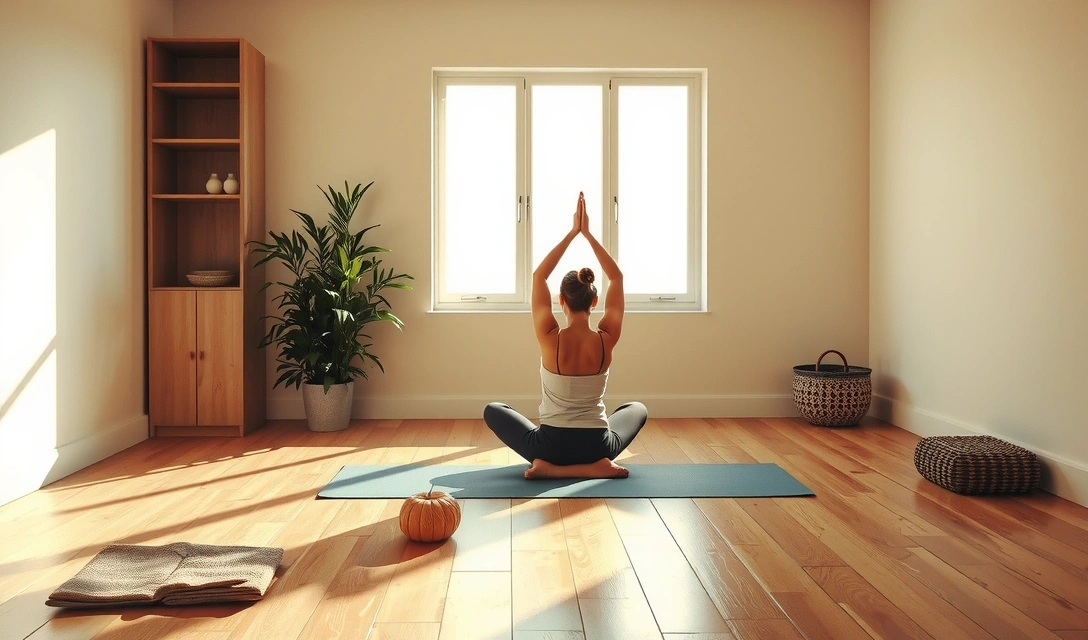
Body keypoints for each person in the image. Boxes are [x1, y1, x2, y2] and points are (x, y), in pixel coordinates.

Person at [484, 192, 648, 479]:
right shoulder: (606, 337)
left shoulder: (550, 337)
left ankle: (548, 468)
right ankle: (595, 466)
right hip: (596, 445)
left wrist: (573, 232)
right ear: (594, 302)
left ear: (560, 299)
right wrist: (588, 234)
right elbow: (617, 278)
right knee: (637, 408)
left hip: (550, 446)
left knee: (493, 409)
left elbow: (539, 277)